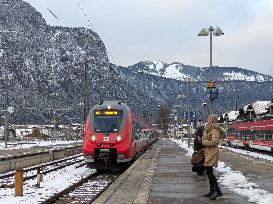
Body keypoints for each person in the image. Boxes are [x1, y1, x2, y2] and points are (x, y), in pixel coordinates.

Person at [202, 115, 224, 200]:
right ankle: (212, 191)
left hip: (212, 152)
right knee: (209, 172)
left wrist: (203, 142)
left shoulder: (215, 129)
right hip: (208, 152)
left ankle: (218, 192)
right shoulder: (209, 129)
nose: (207, 121)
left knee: (209, 173)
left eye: (209, 119)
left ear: (213, 120)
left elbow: (215, 142)